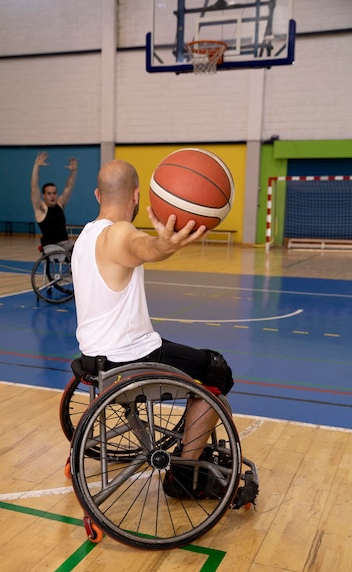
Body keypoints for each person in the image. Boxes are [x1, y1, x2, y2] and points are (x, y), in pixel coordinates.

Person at [71, 160, 234, 497]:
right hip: (132, 357)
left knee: (196, 363)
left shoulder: (85, 236)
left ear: (97, 194)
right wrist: (164, 246)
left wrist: (160, 246)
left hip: (93, 356)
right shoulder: (118, 233)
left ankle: (186, 446)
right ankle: (184, 479)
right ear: (136, 194)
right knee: (217, 374)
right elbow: (139, 247)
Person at [30, 151, 78, 253]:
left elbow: (68, 188)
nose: (53, 196)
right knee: (79, 250)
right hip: (51, 247)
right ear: (44, 195)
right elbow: (34, 188)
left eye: (54, 193)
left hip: (66, 244)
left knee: (85, 247)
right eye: (49, 193)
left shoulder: (60, 204)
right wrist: (36, 167)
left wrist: (73, 172)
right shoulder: (41, 209)